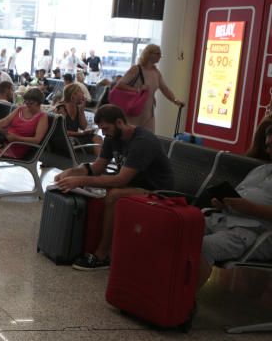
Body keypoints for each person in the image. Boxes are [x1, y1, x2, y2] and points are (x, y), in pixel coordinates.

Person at [54, 105, 174, 271]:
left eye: (106, 128)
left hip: (156, 190)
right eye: (101, 129)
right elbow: (97, 168)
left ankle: (102, 255)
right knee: (107, 191)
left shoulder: (142, 142)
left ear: (119, 122)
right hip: (133, 185)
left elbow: (120, 180)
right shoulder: (113, 138)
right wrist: (71, 172)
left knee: (114, 195)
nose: (103, 133)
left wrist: (80, 180)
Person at [198, 127, 272, 289]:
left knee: (203, 246)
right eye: (267, 146)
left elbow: (249, 206)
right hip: (223, 218)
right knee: (178, 229)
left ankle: (182, 301)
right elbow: (239, 195)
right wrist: (224, 203)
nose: (268, 150)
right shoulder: (262, 170)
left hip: (254, 232)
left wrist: (250, 208)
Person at [113, 43, 184, 132]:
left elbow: (164, 89)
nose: (160, 56)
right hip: (135, 110)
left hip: (148, 112)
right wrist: (138, 90)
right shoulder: (136, 69)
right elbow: (119, 85)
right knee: (133, 136)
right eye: (158, 53)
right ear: (149, 54)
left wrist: (175, 100)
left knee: (148, 137)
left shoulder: (156, 72)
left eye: (160, 54)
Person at [0, 88, 49, 160]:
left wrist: (16, 138)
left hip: (16, 146)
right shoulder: (20, 109)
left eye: (31, 103)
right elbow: (5, 121)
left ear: (39, 103)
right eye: (26, 101)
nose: (27, 105)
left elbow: (37, 140)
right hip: (4, 139)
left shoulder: (42, 117)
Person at [55, 83, 103, 156]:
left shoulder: (77, 107)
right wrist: (80, 134)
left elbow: (83, 126)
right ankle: (99, 163)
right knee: (96, 143)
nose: (83, 94)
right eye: (81, 92)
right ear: (73, 95)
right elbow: (61, 132)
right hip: (66, 139)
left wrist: (81, 110)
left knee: (98, 138)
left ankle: (99, 163)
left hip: (74, 138)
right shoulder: (61, 109)